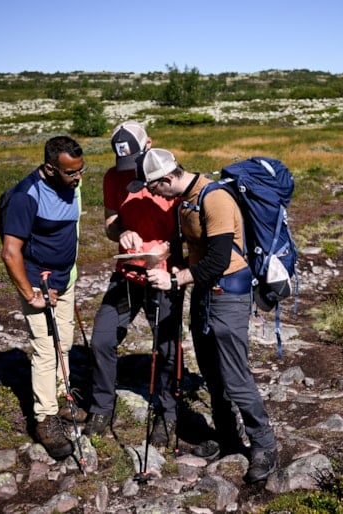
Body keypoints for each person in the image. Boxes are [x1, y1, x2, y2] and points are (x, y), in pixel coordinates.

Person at [135, 148, 279, 483]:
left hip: (229, 293)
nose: (152, 194)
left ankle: (265, 446)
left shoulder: (215, 199)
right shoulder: (187, 200)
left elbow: (218, 260)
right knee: (213, 374)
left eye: (154, 187)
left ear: (168, 178)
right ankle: (227, 438)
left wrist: (175, 279)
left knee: (235, 376)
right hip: (205, 294)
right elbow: (198, 255)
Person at [84, 121, 182, 448]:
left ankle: (168, 414)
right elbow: (111, 226)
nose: (130, 171)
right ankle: (101, 408)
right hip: (127, 272)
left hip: (164, 274)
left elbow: (188, 232)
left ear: (149, 144)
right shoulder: (113, 177)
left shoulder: (168, 174)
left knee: (166, 345)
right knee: (101, 338)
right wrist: (122, 232)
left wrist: (167, 250)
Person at [0, 135, 88, 460]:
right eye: (70, 173)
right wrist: (31, 293)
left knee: (64, 342)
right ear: (51, 168)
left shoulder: (74, 184)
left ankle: (64, 396)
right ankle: (45, 419)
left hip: (66, 281)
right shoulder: (27, 196)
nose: (78, 178)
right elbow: (10, 253)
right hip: (40, 285)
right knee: (45, 349)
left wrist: (71, 272)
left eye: (81, 170)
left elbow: (72, 229)